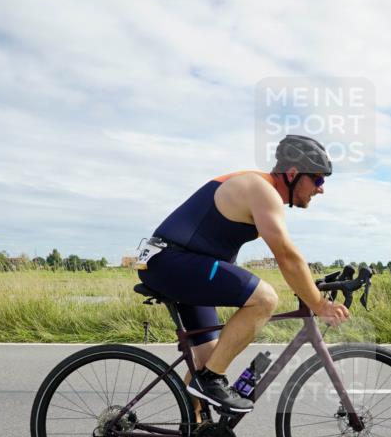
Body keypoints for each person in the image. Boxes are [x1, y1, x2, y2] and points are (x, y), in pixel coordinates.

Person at [138, 135, 350, 413]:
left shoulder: (259, 188)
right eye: (319, 180)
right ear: (294, 174)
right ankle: (211, 381)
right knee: (264, 299)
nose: (321, 189)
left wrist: (312, 286)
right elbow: (286, 255)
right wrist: (319, 304)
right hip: (171, 262)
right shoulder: (262, 190)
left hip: (178, 264)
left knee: (208, 359)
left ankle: (192, 436)